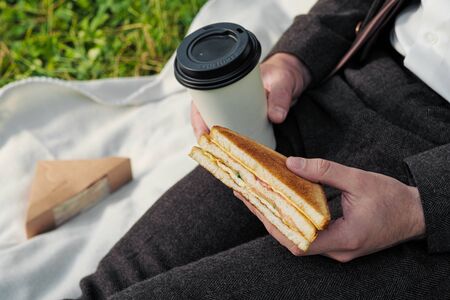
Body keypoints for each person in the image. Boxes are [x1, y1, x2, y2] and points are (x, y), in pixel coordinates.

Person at [77, 0, 450, 298]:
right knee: (108, 287)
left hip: (435, 194)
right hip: (353, 87)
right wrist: (294, 59)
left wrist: (421, 207)